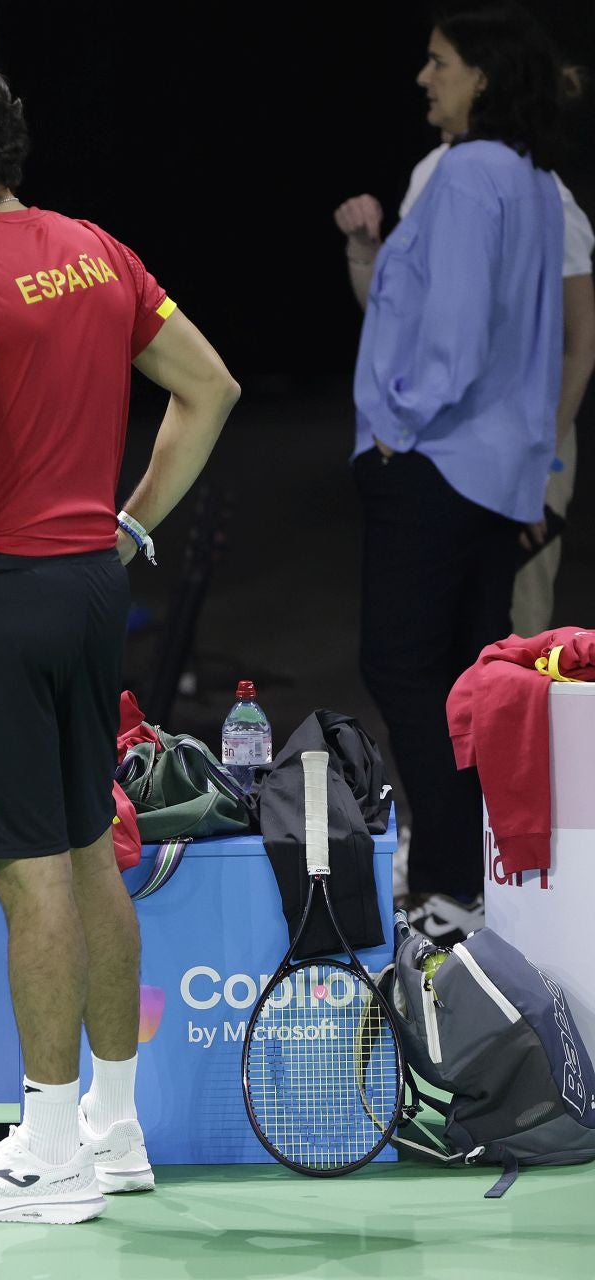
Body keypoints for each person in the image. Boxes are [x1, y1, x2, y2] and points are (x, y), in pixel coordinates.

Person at [0, 45, 239, 1223]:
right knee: (89, 849)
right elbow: (212, 387)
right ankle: (112, 1127)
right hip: (89, 587)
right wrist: (130, 522)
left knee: (30, 874)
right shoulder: (97, 251)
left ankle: (46, 1147)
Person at [331, 6, 569, 941]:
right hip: (499, 474)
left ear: (483, 75)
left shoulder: (471, 175)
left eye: (439, 62)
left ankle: (444, 880)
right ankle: (478, 886)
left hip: (439, 464)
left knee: (401, 668)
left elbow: (459, 337)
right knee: (468, 686)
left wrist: (396, 422)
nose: (424, 78)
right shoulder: (533, 180)